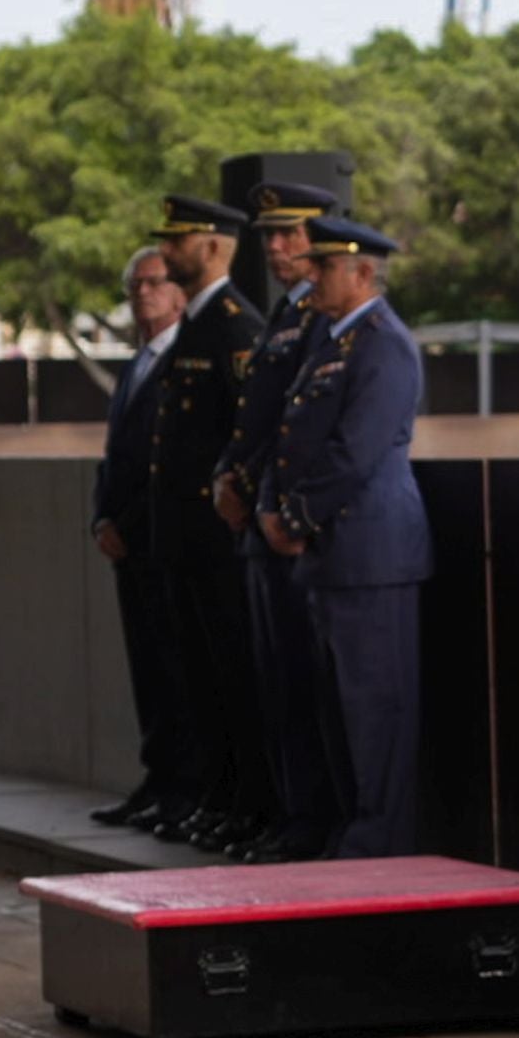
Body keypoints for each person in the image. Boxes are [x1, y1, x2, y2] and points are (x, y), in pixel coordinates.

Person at [259, 216, 433, 859]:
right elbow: (291, 438)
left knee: (374, 711)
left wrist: (295, 516)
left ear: (363, 274)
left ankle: (376, 844)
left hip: (370, 553)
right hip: (334, 554)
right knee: (336, 710)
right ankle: (349, 833)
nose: (311, 273)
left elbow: (355, 451)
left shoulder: (382, 343)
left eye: (325, 266)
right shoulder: (332, 342)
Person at [213, 181, 343, 863]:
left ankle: (313, 819)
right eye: (269, 235)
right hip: (260, 519)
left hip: (293, 527)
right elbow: (256, 418)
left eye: (291, 233)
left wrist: (261, 494)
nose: (278, 246)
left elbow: (308, 429)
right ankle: (290, 813)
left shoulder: (327, 322)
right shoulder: (284, 316)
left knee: (306, 685)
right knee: (276, 685)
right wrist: (228, 478)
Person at [146, 195, 274, 849]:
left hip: (219, 539)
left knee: (234, 676)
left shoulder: (235, 326)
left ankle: (251, 802)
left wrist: (235, 500)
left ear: (217, 247)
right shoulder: (193, 327)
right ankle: (219, 797)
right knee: (198, 677)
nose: (166, 254)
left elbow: (247, 434)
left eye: (179, 242)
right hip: (182, 540)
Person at [88, 249, 199, 829]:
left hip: (161, 540)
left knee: (178, 669)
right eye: (133, 284)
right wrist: (100, 519)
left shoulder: (188, 358)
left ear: (181, 294)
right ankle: (158, 781)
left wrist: (126, 525)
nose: (141, 294)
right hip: (126, 544)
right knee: (147, 671)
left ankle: (185, 790)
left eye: (153, 283)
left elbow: (169, 463)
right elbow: (116, 458)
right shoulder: (137, 362)